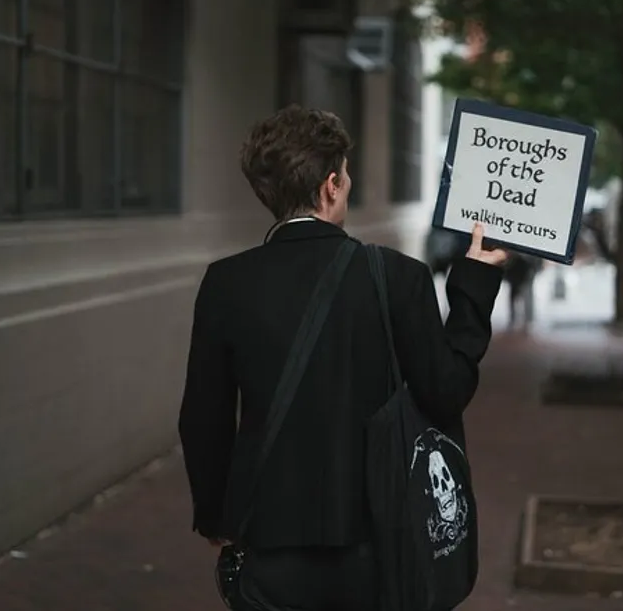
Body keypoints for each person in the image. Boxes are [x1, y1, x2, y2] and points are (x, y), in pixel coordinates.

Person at [177, 105, 507, 611]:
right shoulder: (398, 277)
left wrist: (214, 515)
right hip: (377, 542)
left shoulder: (226, 283)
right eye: (346, 175)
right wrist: (474, 288)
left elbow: (204, 415)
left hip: (268, 537)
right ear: (331, 185)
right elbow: (447, 391)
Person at [504, 252, 542, 329]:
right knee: (519, 296)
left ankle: (527, 319)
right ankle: (517, 318)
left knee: (526, 296)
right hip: (517, 274)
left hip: (525, 274)